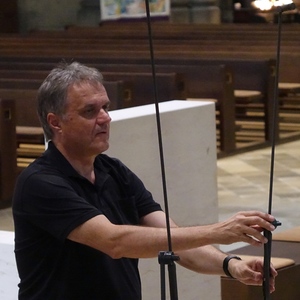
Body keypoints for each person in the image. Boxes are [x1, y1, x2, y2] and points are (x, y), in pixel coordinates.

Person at [13, 61, 277, 300]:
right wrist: (220, 230)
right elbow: (115, 242)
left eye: (105, 107)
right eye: (90, 111)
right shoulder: (40, 183)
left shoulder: (115, 172)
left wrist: (231, 265)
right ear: (55, 122)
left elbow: (172, 240)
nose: (105, 118)